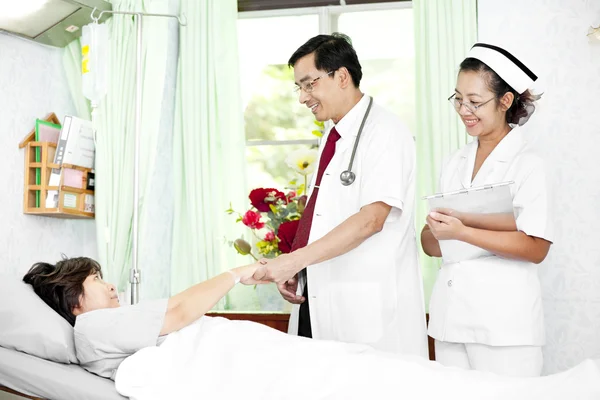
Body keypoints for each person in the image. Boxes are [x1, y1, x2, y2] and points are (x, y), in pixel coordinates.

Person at [22, 257, 600, 400]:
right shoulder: (93, 330)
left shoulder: (105, 326)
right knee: (386, 382)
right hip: (257, 369)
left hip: (257, 357)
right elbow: (176, 316)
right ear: (74, 297)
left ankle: (540, 394)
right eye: (99, 279)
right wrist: (233, 273)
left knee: (390, 376)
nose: (112, 285)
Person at [252, 33, 428, 357]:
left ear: (342, 76)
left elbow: (371, 221)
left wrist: (293, 261)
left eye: (309, 84)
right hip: (318, 296)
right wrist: (297, 271)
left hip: (366, 310)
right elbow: (323, 218)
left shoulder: (385, 133)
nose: (303, 98)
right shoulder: (332, 137)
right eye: (299, 88)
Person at [421, 43, 553, 377]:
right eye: (458, 99)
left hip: (505, 327)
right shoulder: (455, 162)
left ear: (506, 101)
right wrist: (438, 231)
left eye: (475, 102)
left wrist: (462, 231)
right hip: (451, 320)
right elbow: (429, 243)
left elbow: (536, 248)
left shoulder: (528, 165)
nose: (464, 109)